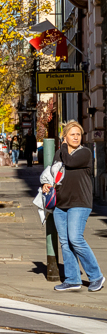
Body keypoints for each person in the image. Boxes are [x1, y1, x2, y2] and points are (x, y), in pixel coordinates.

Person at [41, 121, 104, 292]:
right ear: (65, 136)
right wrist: (47, 184)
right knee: (65, 242)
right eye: (72, 134)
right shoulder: (58, 154)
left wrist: (62, 147)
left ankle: (96, 276)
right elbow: (53, 174)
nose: (76, 137)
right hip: (61, 204)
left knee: (75, 239)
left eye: (78, 134)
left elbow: (68, 161)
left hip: (79, 202)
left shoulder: (84, 153)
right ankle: (72, 279)